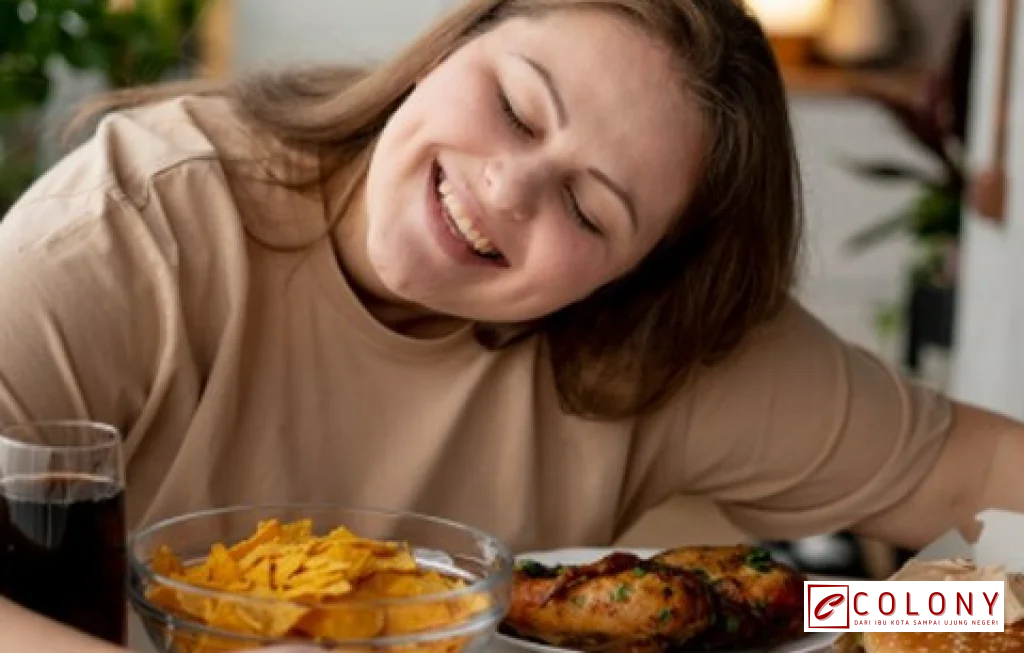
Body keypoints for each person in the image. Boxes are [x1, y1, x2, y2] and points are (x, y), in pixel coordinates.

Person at [0, 0, 1021, 651]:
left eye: (590, 211)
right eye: (516, 107)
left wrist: (944, 619)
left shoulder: (666, 342)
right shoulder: (140, 220)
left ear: (640, 279)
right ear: (454, 42)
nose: (505, 185)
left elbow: (979, 482)